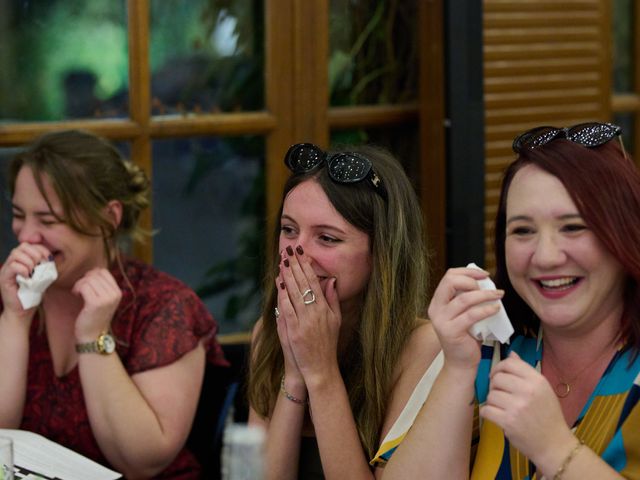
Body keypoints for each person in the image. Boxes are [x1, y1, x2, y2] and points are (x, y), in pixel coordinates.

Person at [380, 121, 640, 479]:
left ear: (625, 231)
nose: (546, 256)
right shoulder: (488, 353)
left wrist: (554, 448)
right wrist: (457, 370)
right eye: (522, 231)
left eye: (573, 226)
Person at [0, 130, 227, 479]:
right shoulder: (10, 293)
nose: (26, 235)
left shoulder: (165, 306)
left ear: (108, 217)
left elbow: (142, 461)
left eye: (48, 220)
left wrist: (93, 336)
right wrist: (15, 321)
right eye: (19, 214)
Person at [247, 143, 441, 479]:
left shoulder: (424, 348)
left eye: (327, 238)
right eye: (289, 229)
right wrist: (294, 374)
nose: (297, 252)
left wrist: (320, 372)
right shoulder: (267, 334)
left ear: (381, 252)